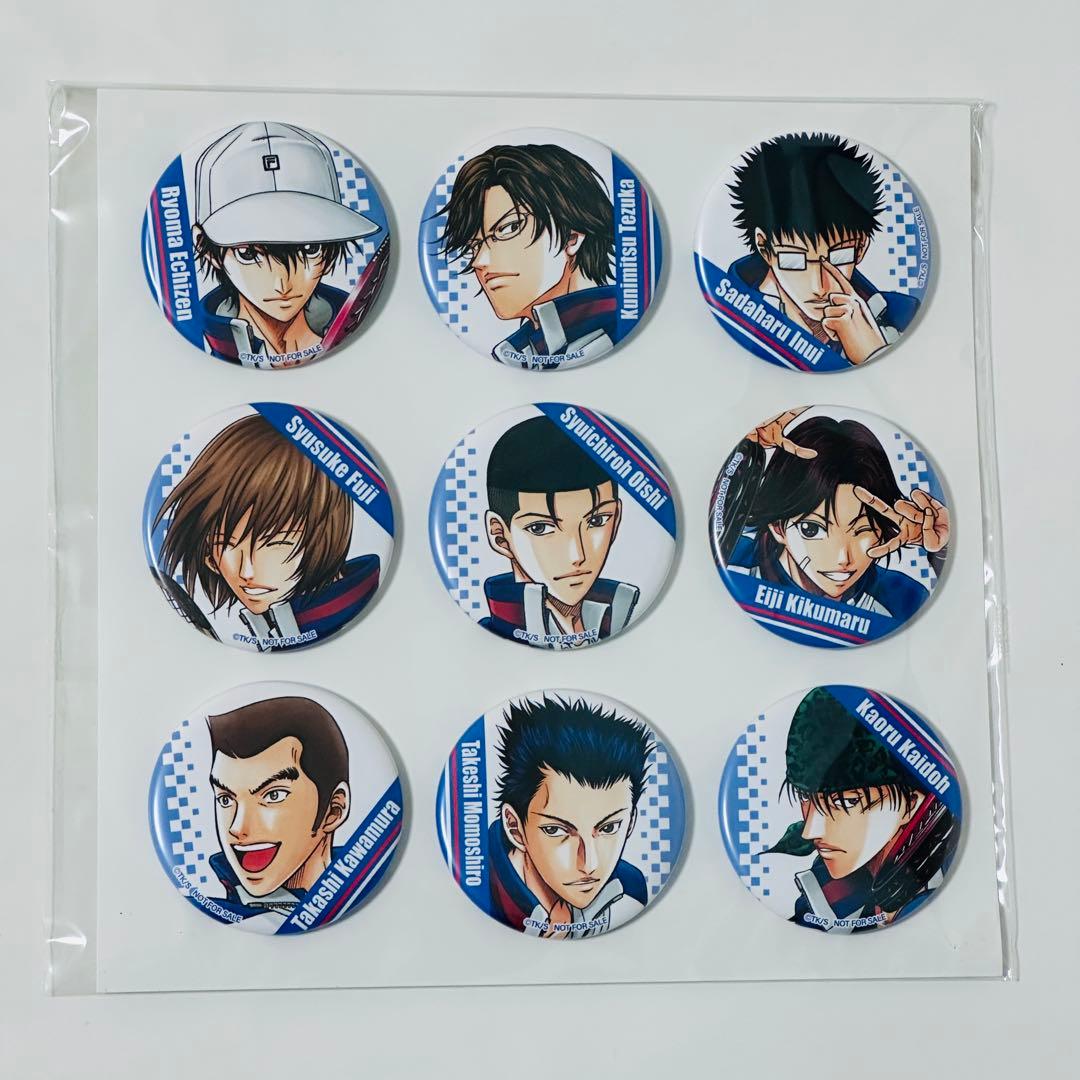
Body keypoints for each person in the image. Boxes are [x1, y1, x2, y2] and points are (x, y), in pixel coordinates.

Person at [153, 414, 380, 650]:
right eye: (226, 544)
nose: (246, 572)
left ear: (323, 536)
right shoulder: (286, 627)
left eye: (274, 543)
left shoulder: (324, 620)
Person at [718, 407, 948, 622]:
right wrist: (746, 455)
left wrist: (942, 550)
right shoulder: (731, 556)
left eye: (863, 529)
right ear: (778, 526)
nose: (843, 558)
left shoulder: (902, 599)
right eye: (812, 529)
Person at [191, 121, 386, 365]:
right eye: (249, 253)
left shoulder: (352, 321)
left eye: (309, 249)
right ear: (205, 248)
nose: (282, 283)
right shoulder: (204, 342)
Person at [766, 687, 958, 932]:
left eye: (845, 803)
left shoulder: (949, 883)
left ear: (911, 802)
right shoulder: (822, 897)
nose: (810, 831)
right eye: (805, 797)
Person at [726, 132, 919, 365]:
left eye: (838, 258)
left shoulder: (903, 313)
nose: (819, 287)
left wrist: (873, 352)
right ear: (764, 248)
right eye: (795, 261)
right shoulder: (730, 311)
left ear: (861, 248)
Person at [436, 143, 617, 368]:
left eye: (509, 228)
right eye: (474, 246)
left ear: (572, 237)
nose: (479, 261)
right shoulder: (519, 351)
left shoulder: (613, 329)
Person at [489, 695, 652, 938]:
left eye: (609, 828)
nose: (589, 864)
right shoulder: (484, 888)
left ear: (631, 823)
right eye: (556, 830)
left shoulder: (633, 889)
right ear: (515, 828)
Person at [481, 415, 638, 647]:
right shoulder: (488, 640)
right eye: (540, 528)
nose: (577, 555)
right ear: (500, 536)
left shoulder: (624, 618)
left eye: (597, 521)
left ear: (616, 521)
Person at [207, 696, 351, 930]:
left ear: (334, 811)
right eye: (226, 799)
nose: (237, 827)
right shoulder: (213, 914)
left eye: (273, 795)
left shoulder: (364, 879)